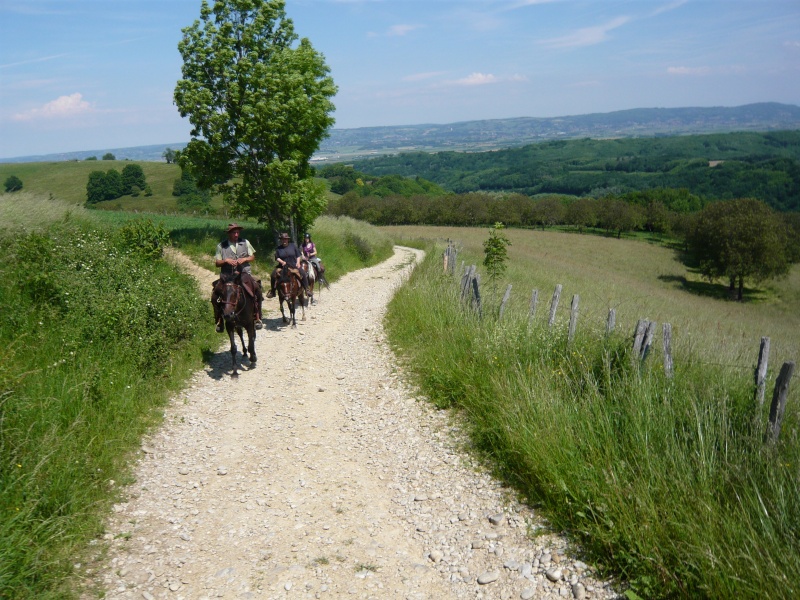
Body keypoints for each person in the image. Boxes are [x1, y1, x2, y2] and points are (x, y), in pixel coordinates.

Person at [212, 223, 263, 332]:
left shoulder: (245, 242)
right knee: (215, 295)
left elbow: (252, 256)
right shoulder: (221, 245)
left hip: (244, 273)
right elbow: (217, 263)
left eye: (237, 232)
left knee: (257, 290)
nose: (236, 234)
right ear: (229, 233)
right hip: (227, 276)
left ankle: (257, 317)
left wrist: (245, 259)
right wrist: (225, 261)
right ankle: (219, 320)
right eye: (234, 232)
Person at [267, 232, 312, 298]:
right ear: (281, 240)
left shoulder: (293, 246)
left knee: (303, 273)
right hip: (282, 267)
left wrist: (298, 262)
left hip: (293, 265)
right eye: (282, 239)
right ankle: (273, 291)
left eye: (285, 239)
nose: (284, 240)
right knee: (273, 274)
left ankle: (306, 289)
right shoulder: (278, 248)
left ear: (288, 239)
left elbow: (298, 255)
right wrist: (282, 262)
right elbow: (277, 257)